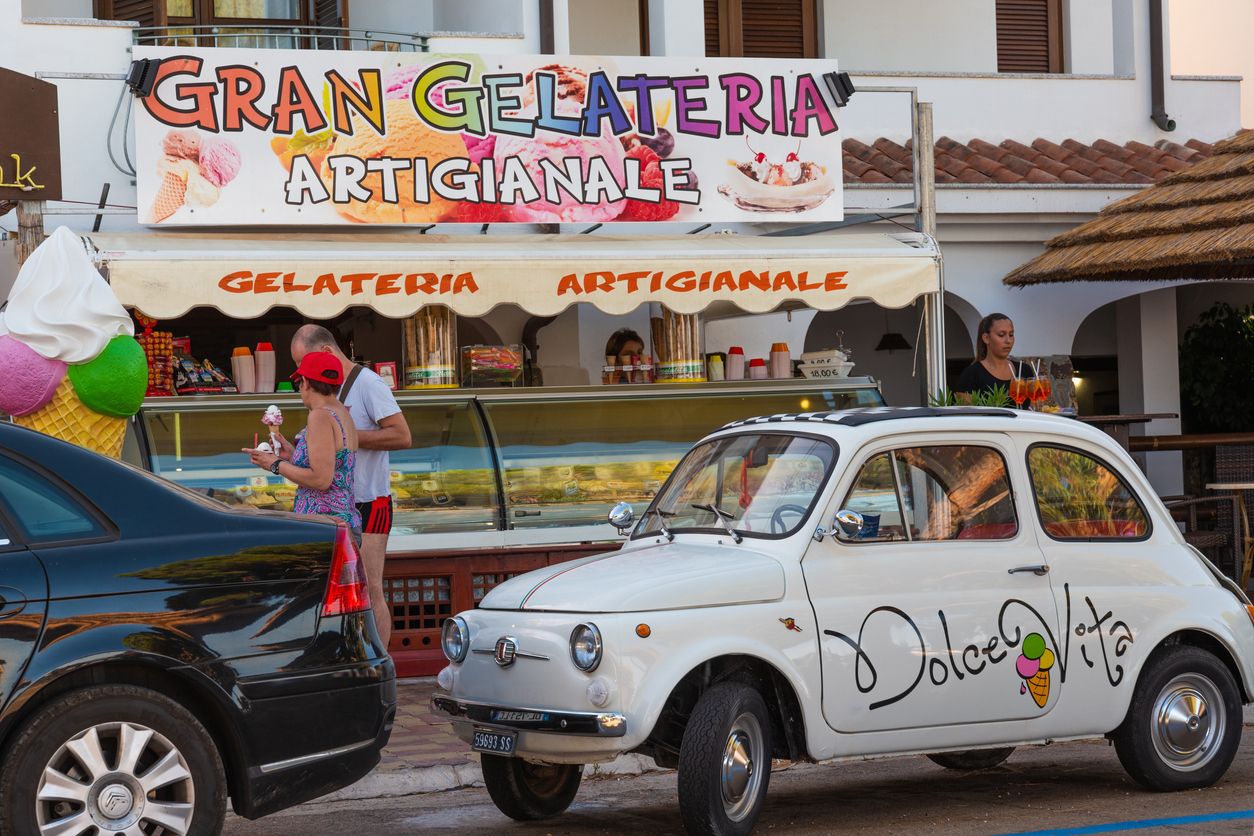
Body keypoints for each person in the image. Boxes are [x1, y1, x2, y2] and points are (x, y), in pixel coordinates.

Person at [291, 324, 412, 649]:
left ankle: (381, 663)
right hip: (338, 505)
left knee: (370, 587)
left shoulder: (369, 384)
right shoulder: (325, 392)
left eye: (304, 365)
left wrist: (347, 439)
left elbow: (402, 435)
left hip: (370, 501)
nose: (302, 376)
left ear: (326, 353)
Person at [244, 351, 361, 539]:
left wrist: (275, 464)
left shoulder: (319, 416)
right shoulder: (341, 412)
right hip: (342, 523)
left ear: (305, 381)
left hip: (324, 526)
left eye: (299, 383)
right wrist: (292, 454)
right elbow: (335, 464)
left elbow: (321, 480)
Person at [953, 312, 1028, 401]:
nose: (1008, 340)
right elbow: (966, 412)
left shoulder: (1024, 370)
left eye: (1011, 335)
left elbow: (1036, 408)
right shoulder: (971, 375)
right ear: (986, 338)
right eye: (1001, 335)